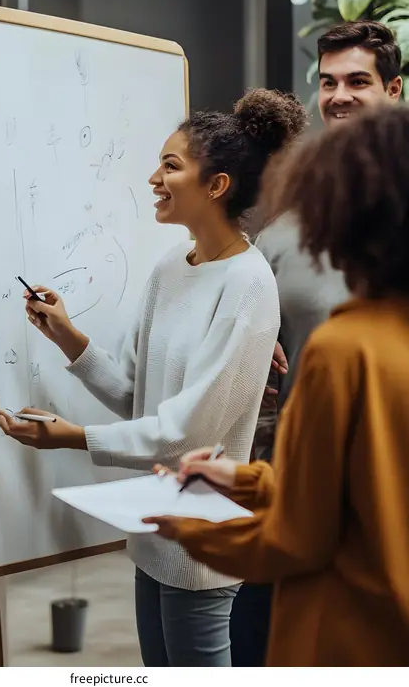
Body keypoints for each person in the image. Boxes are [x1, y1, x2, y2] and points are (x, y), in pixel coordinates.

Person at [0, 89, 307, 667]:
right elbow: (134, 394)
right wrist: (65, 332)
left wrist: (74, 438)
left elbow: (188, 432)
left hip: (201, 544)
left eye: (170, 165)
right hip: (151, 534)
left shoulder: (250, 284)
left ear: (216, 186)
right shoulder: (170, 267)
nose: (153, 178)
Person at [147, 104, 409, 665]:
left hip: (348, 638)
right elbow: (364, 489)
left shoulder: (343, 350)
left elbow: (298, 537)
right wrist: (245, 481)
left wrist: (191, 531)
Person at [228, 19, 404, 666]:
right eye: (327, 82)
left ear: (395, 88)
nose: (339, 96)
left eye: (358, 80)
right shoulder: (287, 228)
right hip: (297, 487)